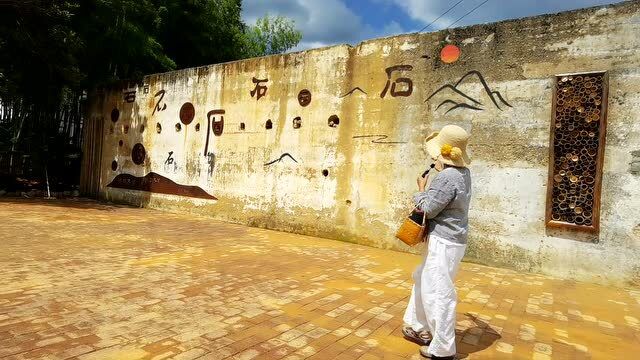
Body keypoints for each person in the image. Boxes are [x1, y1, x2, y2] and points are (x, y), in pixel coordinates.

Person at [402, 125, 472, 360]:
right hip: (452, 240)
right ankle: (417, 326)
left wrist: (420, 189)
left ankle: (442, 348)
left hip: (443, 241)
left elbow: (428, 209)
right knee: (423, 278)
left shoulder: (447, 177)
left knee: (439, 292)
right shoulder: (464, 174)